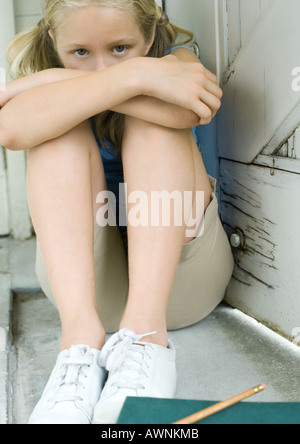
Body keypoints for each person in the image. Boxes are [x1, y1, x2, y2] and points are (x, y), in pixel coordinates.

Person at [0, 0, 234, 425]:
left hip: (185, 277)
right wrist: (133, 76)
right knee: (54, 134)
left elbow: (188, 108)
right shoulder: (77, 77)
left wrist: (58, 81)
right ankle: (77, 351)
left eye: (122, 49)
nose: (101, 66)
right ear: (54, 41)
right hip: (88, 297)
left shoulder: (179, 61)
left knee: (156, 127)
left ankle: (147, 340)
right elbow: (11, 129)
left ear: (149, 35)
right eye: (80, 53)